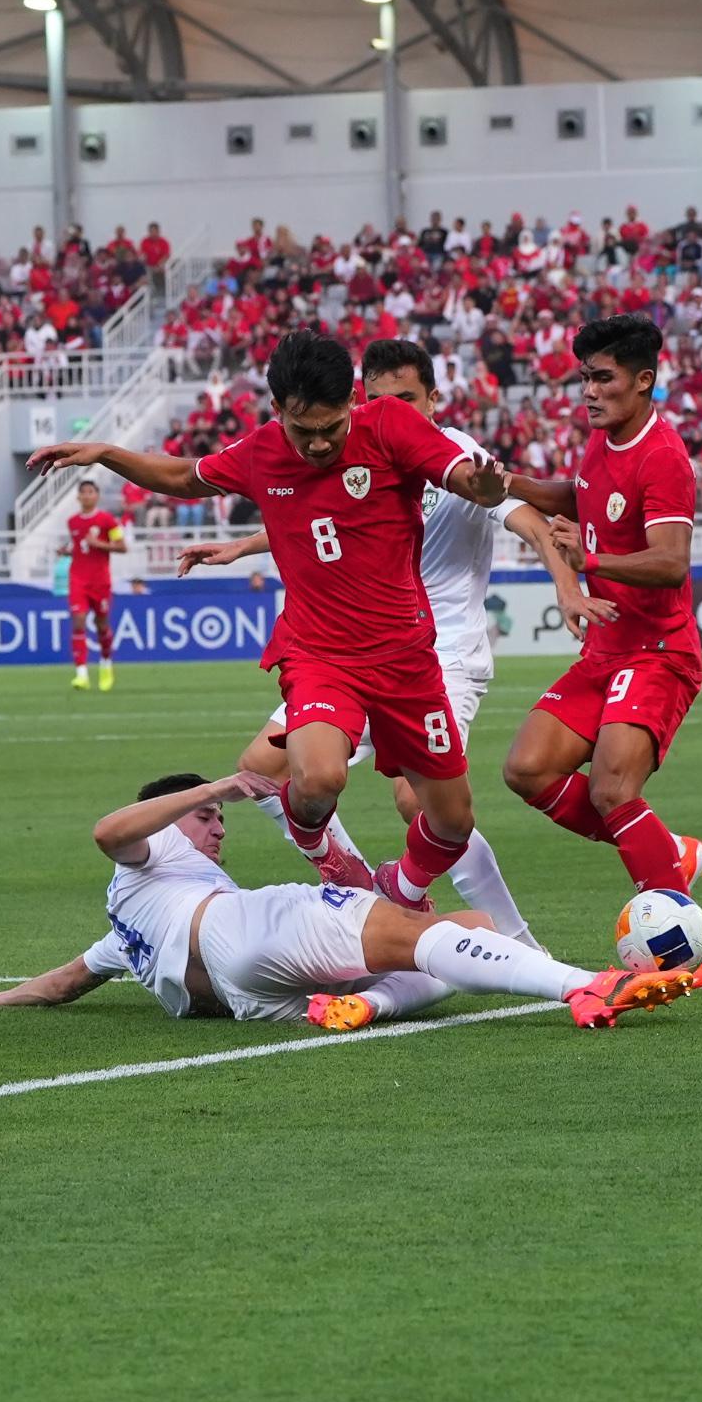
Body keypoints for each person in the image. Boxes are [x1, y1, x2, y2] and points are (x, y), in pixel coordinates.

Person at [28, 328, 510, 913]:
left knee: (452, 821)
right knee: (316, 781)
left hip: (408, 657)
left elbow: (459, 474)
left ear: (354, 403)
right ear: (276, 407)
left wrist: (479, 486)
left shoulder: (391, 425)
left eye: (332, 429)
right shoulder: (261, 450)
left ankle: (398, 889)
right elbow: (185, 478)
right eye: (302, 431)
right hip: (320, 655)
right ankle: (315, 837)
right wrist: (107, 454)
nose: (318, 445)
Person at [178, 337, 602, 946]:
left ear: (434, 398)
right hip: (349, 647)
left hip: (440, 652)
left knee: (417, 802)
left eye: (406, 398)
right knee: (261, 769)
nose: (391, 410)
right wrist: (242, 547)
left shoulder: (457, 455)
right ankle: (353, 883)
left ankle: (513, 939)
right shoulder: (363, 441)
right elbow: (325, 523)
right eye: (378, 400)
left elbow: (529, 520)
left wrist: (566, 583)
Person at [0, 771, 702, 1031]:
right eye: (208, 819)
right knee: (411, 928)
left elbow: (64, 982)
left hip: (246, 997)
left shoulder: (127, 926)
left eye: (219, 818)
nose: (218, 828)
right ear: (170, 818)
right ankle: (585, 984)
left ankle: (372, 1007)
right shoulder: (152, 854)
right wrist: (210, 788)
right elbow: (108, 830)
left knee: (458, 929)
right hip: (239, 934)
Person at [502, 315, 702, 897]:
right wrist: (513, 485)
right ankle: (665, 853)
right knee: (527, 769)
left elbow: (671, 561)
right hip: (605, 650)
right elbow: (582, 495)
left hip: (657, 652)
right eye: (584, 378)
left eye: (603, 378)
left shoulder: (663, 456)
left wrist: (587, 564)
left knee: (612, 789)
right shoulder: (603, 437)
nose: (589, 392)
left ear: (643, 380)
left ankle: (683, 944)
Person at [64, 479, 124, 690]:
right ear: (78, 497)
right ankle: (81, 674)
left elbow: (122, 547)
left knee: (102, 625)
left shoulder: (107, 520)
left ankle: (106, 664)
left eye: (91, 492)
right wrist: (68, 550)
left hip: (100, 581)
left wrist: (99, 544)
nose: (87, 495)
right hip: (78, 578)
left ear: (97, 496)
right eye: (84, 492)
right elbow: (79, 547)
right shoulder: (72, 522)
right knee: (78, 621)